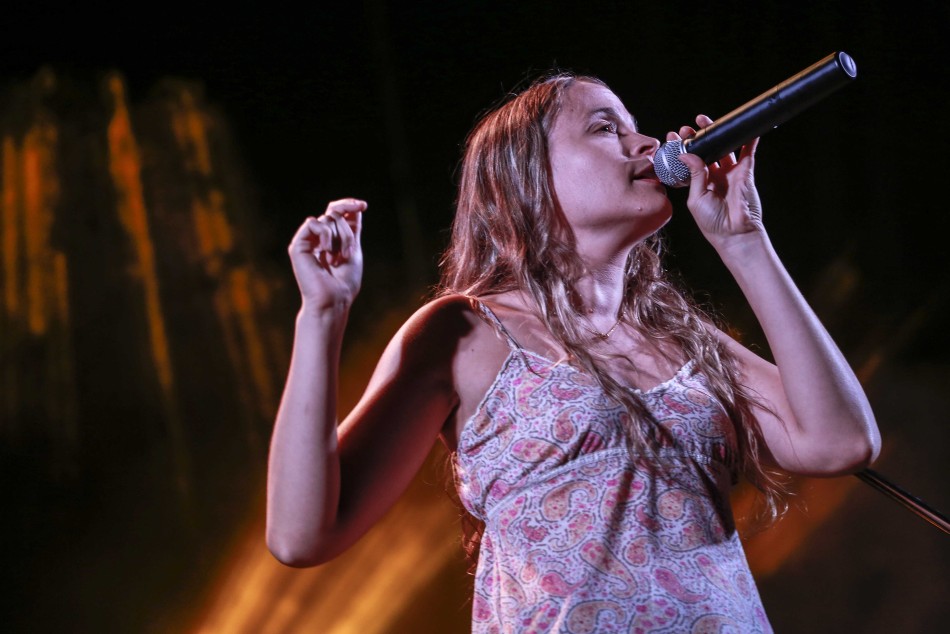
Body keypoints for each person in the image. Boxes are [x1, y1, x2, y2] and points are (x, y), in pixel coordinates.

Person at [266, 72, 881, 633]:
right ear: (524, 180)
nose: (647, 145)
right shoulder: (467, 331)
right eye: (606, 127)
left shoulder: (679, 337)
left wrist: (744, 241)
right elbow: (301, 535)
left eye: (634, 127)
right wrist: (322, 315)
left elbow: (842, 441)